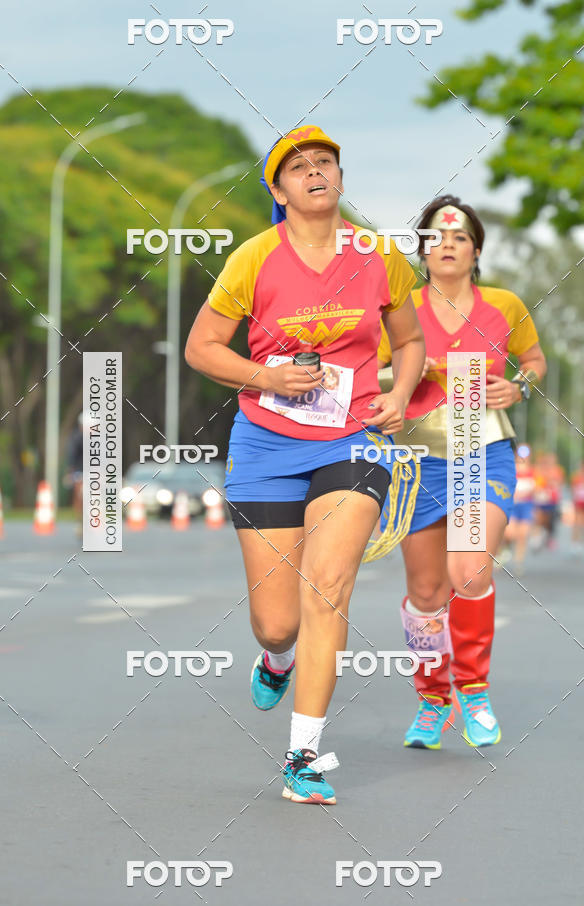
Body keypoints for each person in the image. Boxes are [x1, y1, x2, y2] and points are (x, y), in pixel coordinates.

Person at [185, 125, 425, 803]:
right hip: (266, 444)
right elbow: (202, 348)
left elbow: (409, 341)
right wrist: (265, 377)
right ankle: (276, 657)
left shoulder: (378, 256)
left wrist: (401, 393)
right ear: (278, 189)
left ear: (341, 179)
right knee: (278, 620)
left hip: (352, 441)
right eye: (300, 167)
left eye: (326, 162)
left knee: (328, 587)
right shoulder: (254, 259)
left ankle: (303, 758)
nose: (316, 172)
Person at [375, 195, 546, 750]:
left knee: (469, 572)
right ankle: (432, 699)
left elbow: (535, 361)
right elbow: (364, 372)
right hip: (418, 457)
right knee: (426, 593)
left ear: (476, 251)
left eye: (459, 238)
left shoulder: (504, 306)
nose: (447, 245)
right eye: (435, 238)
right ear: (422, 250)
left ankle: (472, 689)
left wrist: (518, 386)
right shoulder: (399, 309)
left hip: (482, 448)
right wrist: (402, 369)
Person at [504, 444, 536, 574]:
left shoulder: (533, 471)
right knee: (510, 533)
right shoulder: (511, 469)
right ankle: (505, 548)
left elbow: (537, 487)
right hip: (512, 505)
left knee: (522, 535)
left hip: (526, 506)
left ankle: (518, 562)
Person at [570, 462, 584, 546]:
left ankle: (579, 540)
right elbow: (573, 489)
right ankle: (575, 542)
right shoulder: (577, 477)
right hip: (579, 502)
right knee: (577, 522)